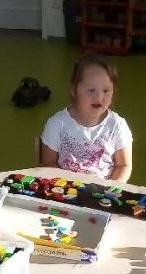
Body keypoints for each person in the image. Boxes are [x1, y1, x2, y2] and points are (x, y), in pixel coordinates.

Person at [40, 53, 132, 181]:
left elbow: (123, 166)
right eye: (91, 90)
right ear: (74, 90)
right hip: (65, 189)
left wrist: (112, 188)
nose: (99, 97)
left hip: (104, 191)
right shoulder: (57, 124)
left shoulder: (117, 125)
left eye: (106, 91)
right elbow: (48, 164)